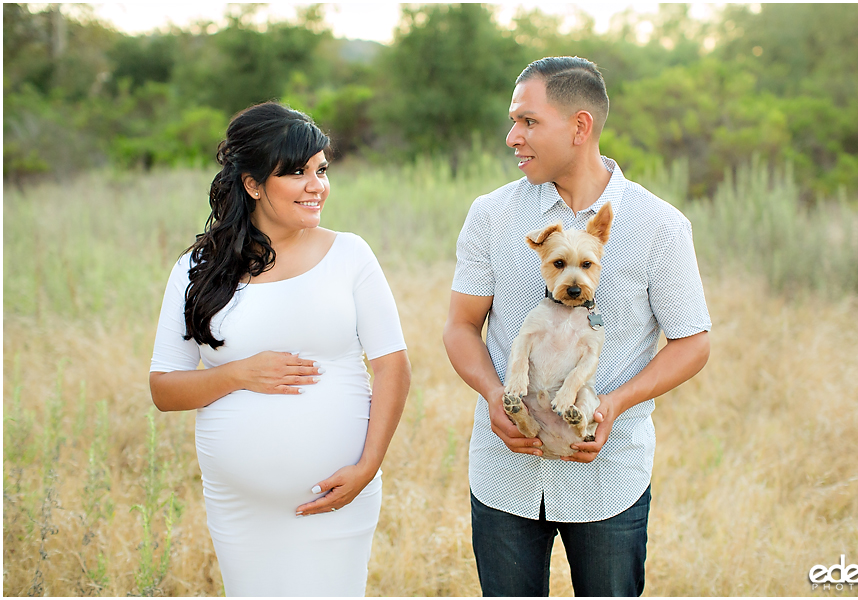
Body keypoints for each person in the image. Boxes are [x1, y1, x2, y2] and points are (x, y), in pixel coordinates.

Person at [443, 56, 711, 596]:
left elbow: (693, 341)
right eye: (514, 121)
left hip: (608, 473)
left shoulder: (659, 225)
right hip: (504, 471)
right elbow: (460, 326)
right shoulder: (491, 215)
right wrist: (496, 395)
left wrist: (613, 405)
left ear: (580, 126)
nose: (512, 135)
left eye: (529, 121)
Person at [149, 102, 411, 597]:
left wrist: (367, 467)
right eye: (296, 173)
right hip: (241, 509)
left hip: (340, 495)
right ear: (252, 183)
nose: (317, 185)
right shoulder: (198, 269)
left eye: (321, 170)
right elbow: (164, 390)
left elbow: (393, 367)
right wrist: (238, 373)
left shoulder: (350, 255)